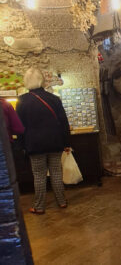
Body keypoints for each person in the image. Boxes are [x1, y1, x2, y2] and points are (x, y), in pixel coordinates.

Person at [16, 68, 71, 215]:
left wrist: (21, 146)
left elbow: (19, 128)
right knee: (56, 173)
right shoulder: (54, 99)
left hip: (34, 145)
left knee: (39, 176)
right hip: (55, 142)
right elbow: (64, 122)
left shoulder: (21, 101)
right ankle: (62, 201)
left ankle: (39, 207)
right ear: (42, 80)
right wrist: (66, 143)